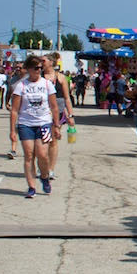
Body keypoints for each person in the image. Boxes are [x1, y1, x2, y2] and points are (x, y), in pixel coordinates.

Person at [9, 55, 61, 198]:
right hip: (26, 124)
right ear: (29, 69)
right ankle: (31, 186)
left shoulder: (46, 84)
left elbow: (54, 107)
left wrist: (56, 125)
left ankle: (44, 177)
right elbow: (14, 110)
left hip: (43, 123)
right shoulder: (21, 86)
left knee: (42, 155)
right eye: (36, 68)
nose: (39, 70)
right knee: (29, 155)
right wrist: (12, 130)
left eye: (40, 68)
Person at [41, 52, 76, 180]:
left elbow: (67, 98)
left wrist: (70, 115)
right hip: (41, 113)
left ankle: (50, 169)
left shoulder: (60, 78)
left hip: (58, 113)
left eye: (43, 61)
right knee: (42, 141)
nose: (41, 63)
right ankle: (43, 167)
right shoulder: (38, 77)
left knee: (53, 141)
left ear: (51, 62)